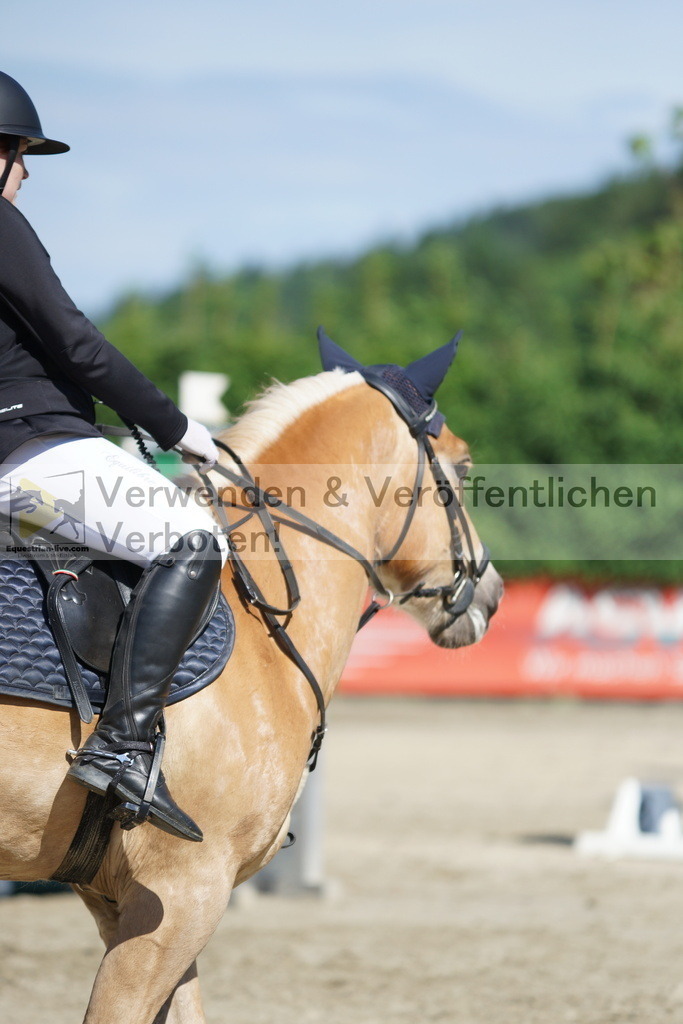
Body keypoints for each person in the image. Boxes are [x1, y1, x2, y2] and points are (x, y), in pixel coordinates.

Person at [0, 70, 230, 843]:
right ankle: (123, 748)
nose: (26, 171)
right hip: (33, 452)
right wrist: (177, 429)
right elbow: (78, 343)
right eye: (21, 152)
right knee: (195, 541)